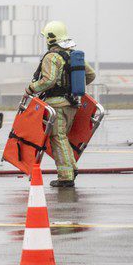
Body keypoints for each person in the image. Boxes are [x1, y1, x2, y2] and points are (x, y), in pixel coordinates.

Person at [26, 21, 96, 187]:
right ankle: (71, 167)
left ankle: (66, 177)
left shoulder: (52, 57)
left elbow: (48, 81)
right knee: (63, 138)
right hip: (72, 103)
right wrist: (73, 86)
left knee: (58, 138)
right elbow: (91, 75)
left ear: (50, 38)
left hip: (56, 105)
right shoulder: (73, 55)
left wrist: (31, 88)